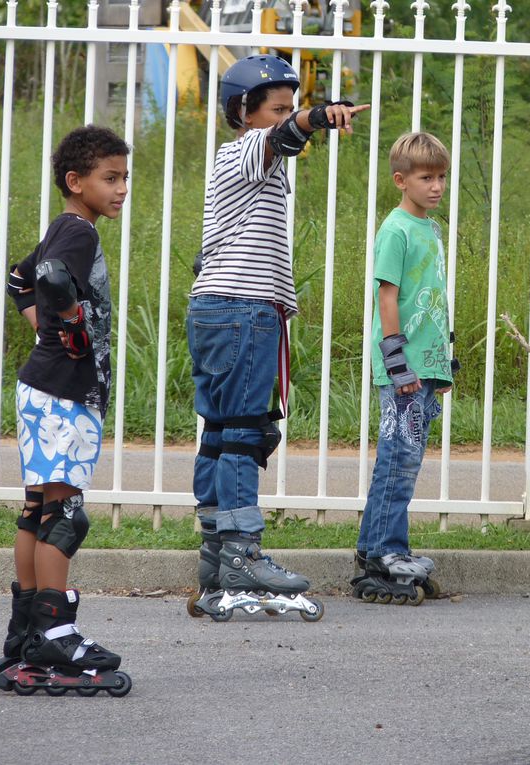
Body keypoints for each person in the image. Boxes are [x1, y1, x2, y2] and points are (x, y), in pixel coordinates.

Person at [186, 54, 367, 622]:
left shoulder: (250, 163)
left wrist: (303, 119)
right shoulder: (244, 149)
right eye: (277, 107)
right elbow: (284, 137)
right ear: (245, 111)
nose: (287, 116)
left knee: (219, 433)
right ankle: (242, 554)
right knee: (242, 432)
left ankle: (216, 557)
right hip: (241, 309)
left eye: (292, 105)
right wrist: (316, 116)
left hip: (223, 307)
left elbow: (283, 141)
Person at [0, 125, 132, 694]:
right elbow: (47, 279)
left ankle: (25, 628)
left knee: (37, 509)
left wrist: (48, 332)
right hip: (65, 393)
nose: (122, 189)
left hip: (41, 388)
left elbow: (19, 278)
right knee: (65, 515)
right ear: (76, 182)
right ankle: (56, 633)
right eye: (110, 178)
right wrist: (71, 338)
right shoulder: (80, 232)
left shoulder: (62, 226)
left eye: (125, 178)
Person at [350, 132, 457, 607]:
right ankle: (386, 552)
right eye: (426, 178)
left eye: (441, 177)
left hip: (425, 367)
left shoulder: (430, 229)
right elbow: (387, 297)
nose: (436, 186)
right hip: (402, 370)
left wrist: (442, 362)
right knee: (398, 458)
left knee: (404, 458)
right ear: (401, 180)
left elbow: (432, 299)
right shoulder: (395, 229)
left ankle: (376, 549)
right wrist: (397, 361)